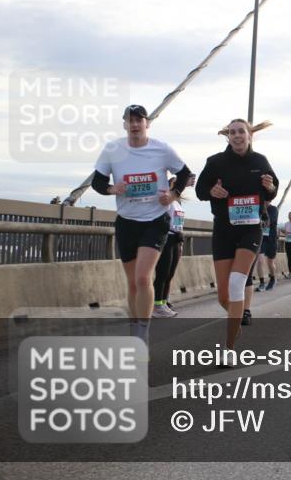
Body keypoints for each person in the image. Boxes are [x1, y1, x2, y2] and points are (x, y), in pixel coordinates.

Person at [92, 104, 192, 345]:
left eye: (140, 120)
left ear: (147, 123)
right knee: (132, 282)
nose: (135, 124)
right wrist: (111, 189)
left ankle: (142, 333)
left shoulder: (162, 149)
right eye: (130, 120)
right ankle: (134, 327)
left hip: (155, 220)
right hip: (127, 221)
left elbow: (186, 173)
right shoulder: (113, 149)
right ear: (125, 124)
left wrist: (173, 194)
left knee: (142, 278)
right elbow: (97, 181)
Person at [195, 118, 278, 353]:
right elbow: (201, 190)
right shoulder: (215, 162)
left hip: (251, 229)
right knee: (223, 295)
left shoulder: (259, 161)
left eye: (241, 131)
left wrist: (270, 187)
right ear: (228, 137)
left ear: (250, 135)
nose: (237, 135)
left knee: (236, 283)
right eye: (232, 132)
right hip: (223, 229)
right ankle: (235, 319)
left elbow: (273, 188)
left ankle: (229, 348)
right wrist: (212, 191)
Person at [152, 176, 187, 318]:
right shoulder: (165, 199)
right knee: (162, 273)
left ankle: (163, 302)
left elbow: (178, 222)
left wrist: (181, 239)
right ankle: (156, 304)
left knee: (170, 274)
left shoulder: (177, 203)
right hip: (166, 238)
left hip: (176, 239)